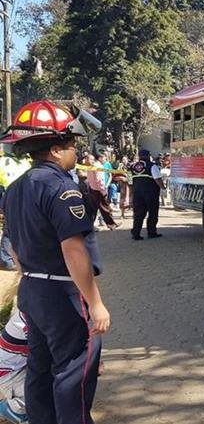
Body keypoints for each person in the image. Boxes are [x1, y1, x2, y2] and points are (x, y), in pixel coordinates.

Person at [0, 100, 111, 424]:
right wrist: (96, 302)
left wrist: (29, 276)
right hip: (64, 295)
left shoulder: (17, 188)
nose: (76, 152)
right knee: (73, 373)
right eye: (73, 144)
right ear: (56, 149)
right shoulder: (63, 188)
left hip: (32, 290)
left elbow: (15, 246)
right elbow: (74, 251)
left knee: (40, 367)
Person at [0, 310, 29, 423]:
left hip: (22, 362)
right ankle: (12, 410)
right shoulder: (31, 317)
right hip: (8, 373)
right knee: (38, 396)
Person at [129, 148, 165, 240]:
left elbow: (130, 181)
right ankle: (151, 232)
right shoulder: (152, 166)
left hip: (137, 193)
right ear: (148, 156)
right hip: (150, 193)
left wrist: (131, 194)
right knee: (152, 213)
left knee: (138, 214)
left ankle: (136, 233)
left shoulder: (133, 167)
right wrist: (163, 187)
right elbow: (157, 178)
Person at [85, 154, 119, 230]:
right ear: (99, 158)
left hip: (93, 190)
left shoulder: (92, 167)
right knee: (104, 208)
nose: (105, 159)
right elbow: (99, 180)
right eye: (103, 157)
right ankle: (111, 224)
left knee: (95, 209)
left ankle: (110, 223)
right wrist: (103, 191)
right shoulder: (98, 166)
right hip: (98, 191)